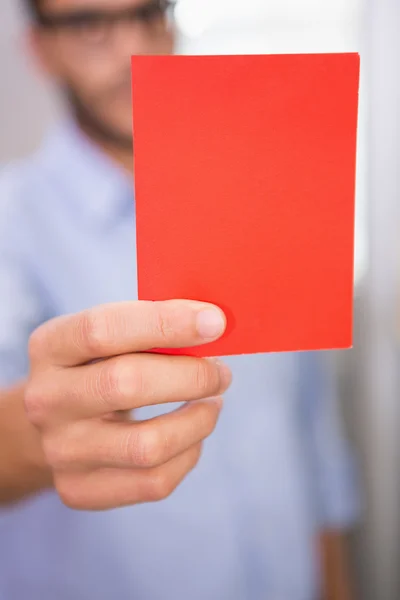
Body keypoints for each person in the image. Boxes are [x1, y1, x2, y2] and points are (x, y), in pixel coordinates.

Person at [0, 0, 359, 598]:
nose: (132, 49)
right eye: (90, 24)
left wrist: (336, 582)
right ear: (42, 50)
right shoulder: (9, 223)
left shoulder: (268, 188)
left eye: (150, 13)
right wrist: (39, 430)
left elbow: (310, 429)